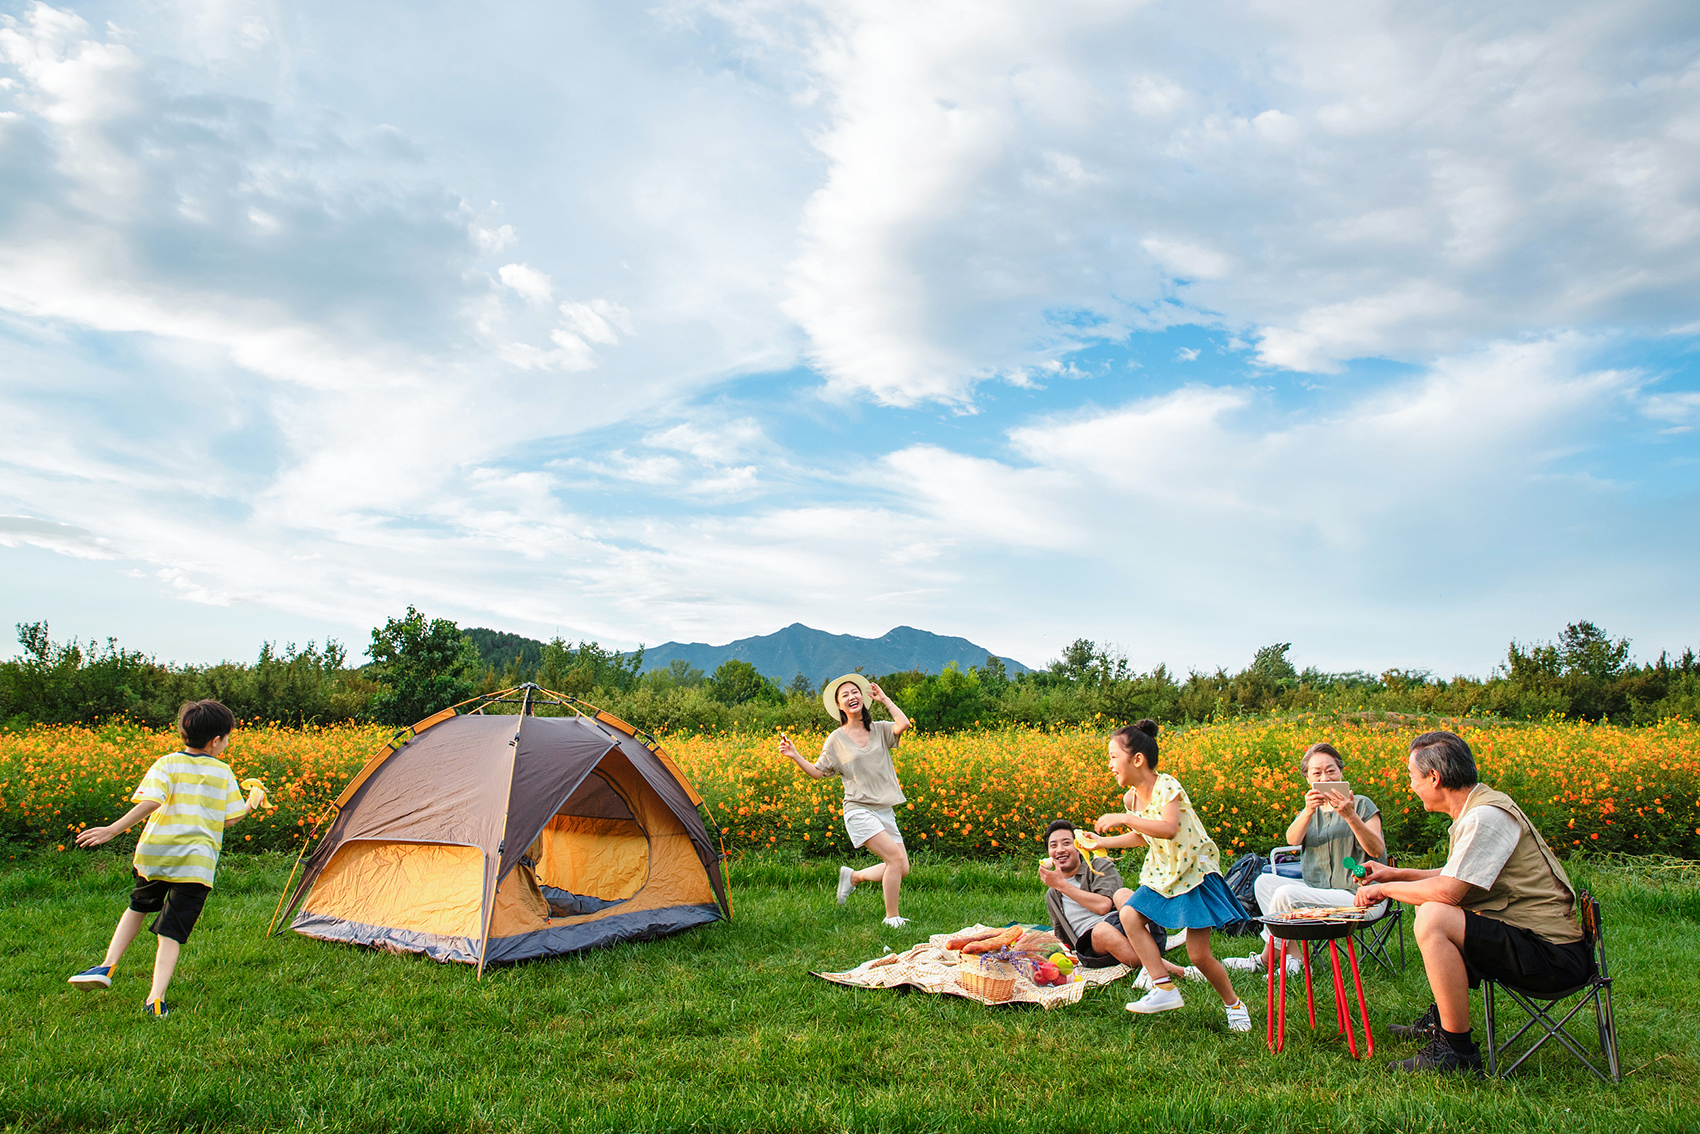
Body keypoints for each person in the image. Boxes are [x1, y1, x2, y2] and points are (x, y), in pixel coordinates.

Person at [1355, 730, 1591, 1075]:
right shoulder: (1479, 809)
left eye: (1412, 776)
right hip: (1538, 942)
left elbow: (1448, 892)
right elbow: (1459, 875)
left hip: (1553, 957)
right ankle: (1442, 1022)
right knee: (1432, 907)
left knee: (1435, 913)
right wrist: (1396, 875)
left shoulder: (1485, 817)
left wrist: (1386, 891)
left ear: (1434, 778)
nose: (1410, 785)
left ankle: (1456, 1052)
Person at [67, 700, 266, 1017]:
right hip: (195, 862)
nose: (227, 744)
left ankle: (106, 967)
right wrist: (250, 805)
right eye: (227, 738)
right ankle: (155, 999)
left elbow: (151, 802)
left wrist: (113, 830)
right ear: (216, 740)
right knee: (171, 930)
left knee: (138, 906)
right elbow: (228, 820)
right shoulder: (222, 772)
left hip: (156, 854)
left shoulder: (167, 763)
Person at [1091, 720, 1254, 1032]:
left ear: (1137, 759)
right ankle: (1164, 987)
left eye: (1113, 757)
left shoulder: (1166, 785)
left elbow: (1168, 828)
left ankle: (1234, 1004)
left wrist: (1124, 819)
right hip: (1164, 873)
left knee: (1200, 955)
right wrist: (1103, 842)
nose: (1109, 764)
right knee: (1129, 914)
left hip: (1194, 872)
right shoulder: (1132, 798)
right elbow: (1143, 837)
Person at [1224, 741, 1387, 974]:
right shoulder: (1312, 809)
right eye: (1317, 773)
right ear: (1308, 780)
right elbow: (1292, 839)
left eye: (1331, 770)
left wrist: (1350, 816)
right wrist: (1309, 811)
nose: (1326, 777)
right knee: (1264, 883)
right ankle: (1295, 959)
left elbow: (1376, 850)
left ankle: (1265, 960)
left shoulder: (1361, 804)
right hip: (1319, 890)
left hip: (1360, 897)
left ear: (1341, 772)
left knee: (1286, 894)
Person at [778, 674, 914, 928]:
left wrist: (884, 699)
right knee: (894, 860)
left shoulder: (880, 729)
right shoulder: (836, 739)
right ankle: (891, 918)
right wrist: (795, 755)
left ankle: (853, 877)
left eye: (855, 692)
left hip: (884, 809)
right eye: (845, 695)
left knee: (901, 868)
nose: (852, 697)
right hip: (858, 809)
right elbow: (819, 772)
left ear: (863, 697)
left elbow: (903, 723)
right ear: (839, 706)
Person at [1038, 820, 1192, 984]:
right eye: (1053, 845)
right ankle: (1180, 972)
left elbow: (1103, 906)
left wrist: (1062, 886)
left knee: (1122, 893)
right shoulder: (1052, 894)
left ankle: (1150, 959)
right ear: (1049, 853)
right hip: (1096, 943)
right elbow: (1062, 937)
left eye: (1066, 843)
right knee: (1101, 930)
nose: (1060, 849)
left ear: (1079, 846)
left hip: (1132, 928)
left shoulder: (1098, 866)